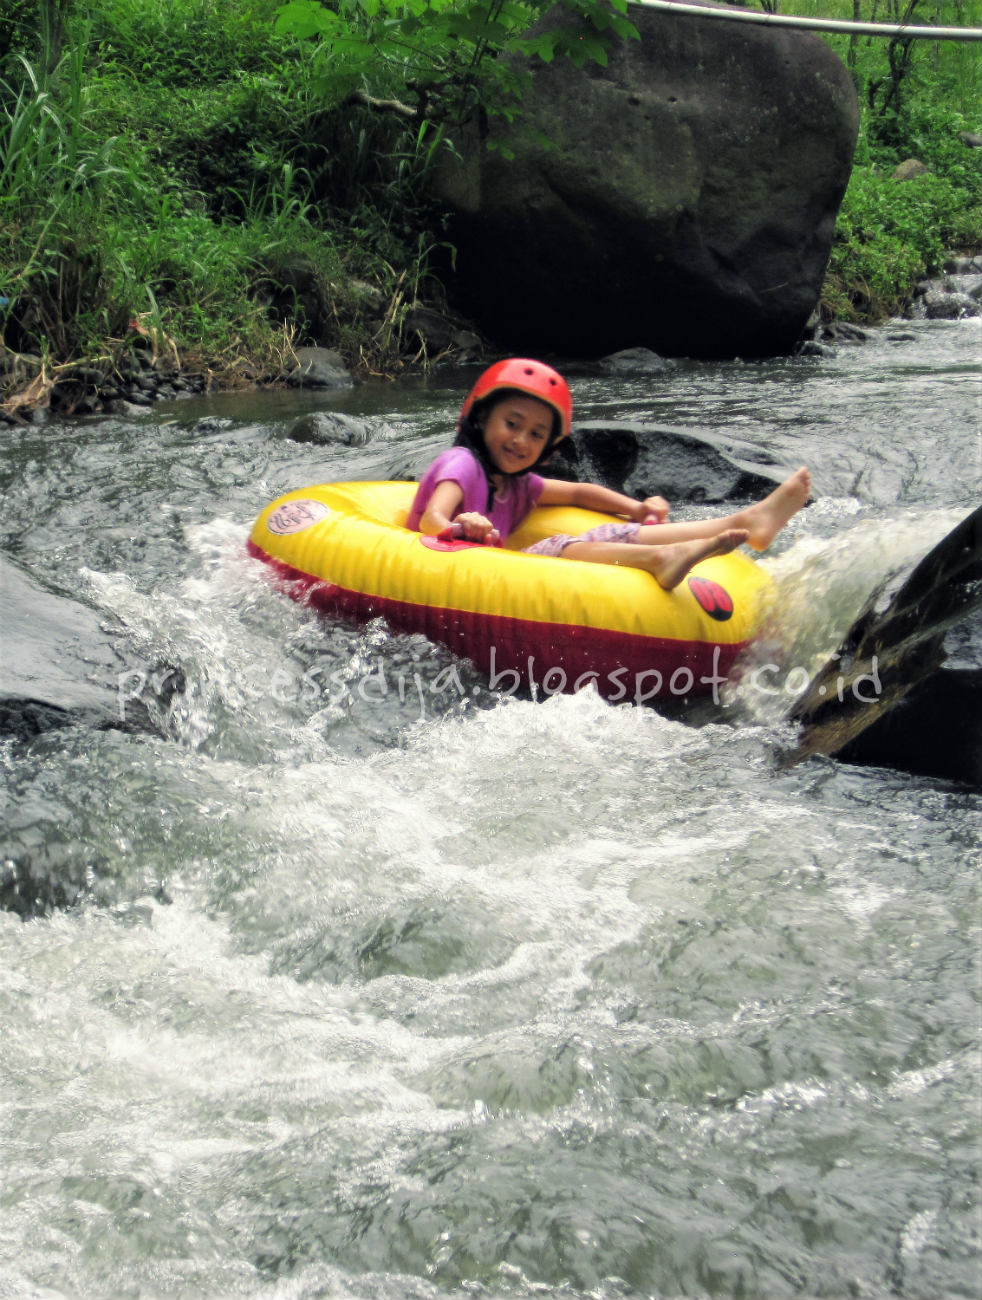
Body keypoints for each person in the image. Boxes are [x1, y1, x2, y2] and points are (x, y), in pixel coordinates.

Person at [407, 358, 811, 591]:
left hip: (488, 574)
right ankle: (659, 559)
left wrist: (636, 509)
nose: (521, 441)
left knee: (607, 531)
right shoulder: (461, 463)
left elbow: (581, 494)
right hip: (438, 575)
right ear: (480, 419)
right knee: (558, 545)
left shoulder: (518, 483)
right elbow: (430, 519)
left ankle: (745, 522)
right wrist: (461, 523)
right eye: (511, 424)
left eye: (536, 434)